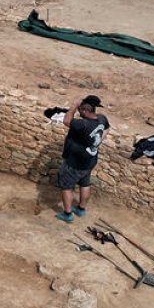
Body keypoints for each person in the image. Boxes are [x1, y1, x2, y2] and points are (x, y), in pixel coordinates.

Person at [56, 95, 110, 223]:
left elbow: (66, 121)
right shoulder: (101, 119)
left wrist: (74, 105)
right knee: (85, 183)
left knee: (66, 187)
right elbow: (107, 128)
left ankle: (67, 214)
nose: (79, 112)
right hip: (90, 160)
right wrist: (97, 143)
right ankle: (81, 209)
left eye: (80, 110)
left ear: (85, 110)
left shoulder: (83, 124)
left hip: (74, 162)